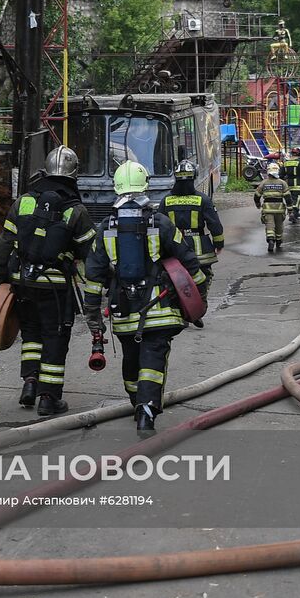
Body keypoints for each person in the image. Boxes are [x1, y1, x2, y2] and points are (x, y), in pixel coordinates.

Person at [83, 160, 206, 434]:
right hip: (159, 309)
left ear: (116, 188)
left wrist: (94, 320)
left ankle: (136, 402)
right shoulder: (160, 223)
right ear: (144, 186)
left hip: (124, 312)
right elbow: (189, 263)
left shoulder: (105, 229)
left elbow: (93, 278)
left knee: (131, 358)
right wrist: (199, 300)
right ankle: (146, 411)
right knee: (153, 358)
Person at [0, 145, 96, 416]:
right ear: (74, 174)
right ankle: (49, 398)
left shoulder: (23, 202)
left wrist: (2, 278)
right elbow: (91, 254)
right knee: (55, 337)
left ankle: (29, 383)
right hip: (56, 287)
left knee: (30, 333)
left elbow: (5, 243)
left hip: (23, 282)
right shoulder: (76, 211)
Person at [159, 159, 224, 298]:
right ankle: (199, 303)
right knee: (203, 279)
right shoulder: (203, 200)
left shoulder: (165, 201)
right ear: (193, 176)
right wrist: (219, 243)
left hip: (173, 251)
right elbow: (215, 225)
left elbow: (159, 226)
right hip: (200, 253)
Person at [253, 161, 293, 253]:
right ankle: (279, 240)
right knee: (279, 225)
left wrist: (258, 204)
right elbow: (288, 198)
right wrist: (290, 211)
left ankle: (271, 240)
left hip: (268, 209)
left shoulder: (264, 183)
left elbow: (256, 195)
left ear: (268, 172)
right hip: (279, 209)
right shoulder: (282, 183)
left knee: (270, 225)